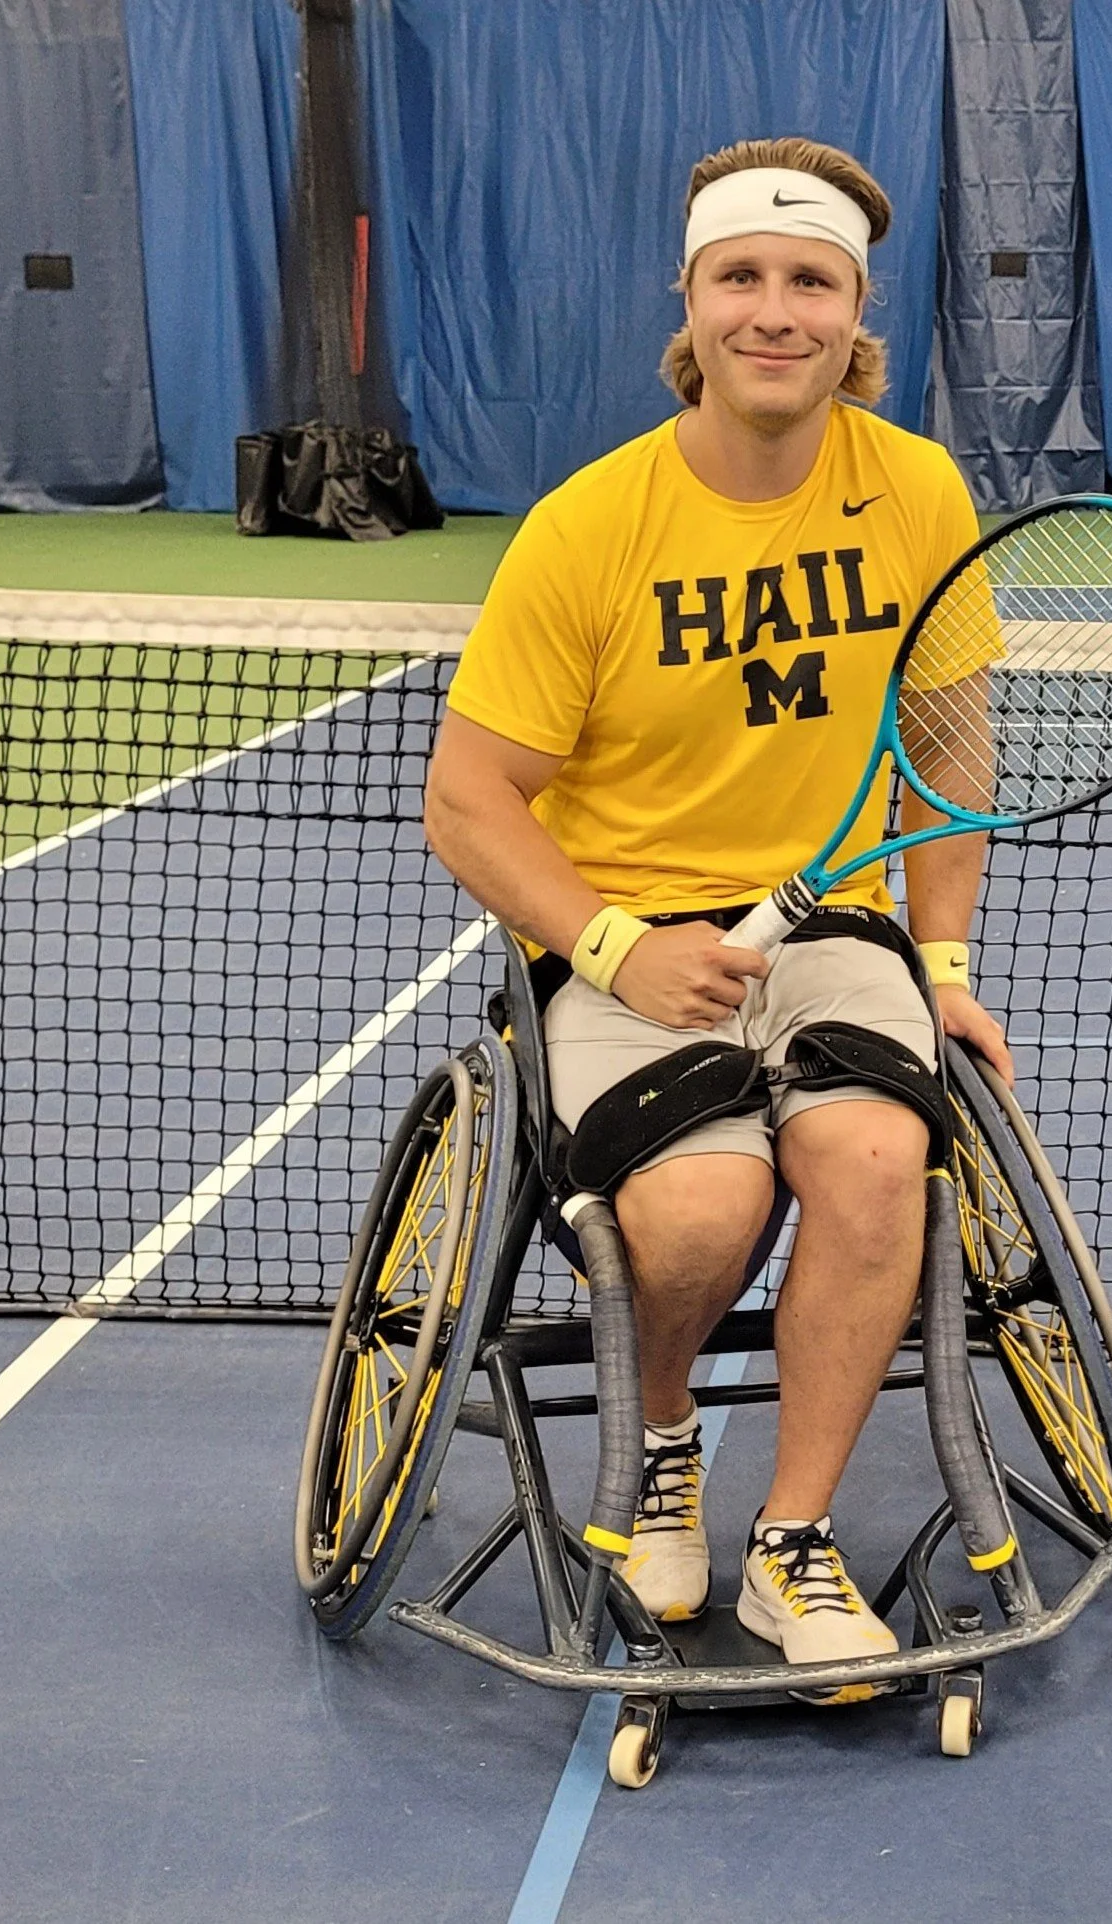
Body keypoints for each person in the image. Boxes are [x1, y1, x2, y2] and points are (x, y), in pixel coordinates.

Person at [425, 135, 1012, 1704]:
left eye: (810, 281)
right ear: (689, 303)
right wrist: (616, 946)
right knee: (697, 1213)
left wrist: (944, 965)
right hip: (627, 932)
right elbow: (469, 801)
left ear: (855, 312)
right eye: (740, 276)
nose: (775, 310)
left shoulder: (914, 490)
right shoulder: (587, 527)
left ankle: (794, 1537)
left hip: (834, 927)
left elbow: (949, 742)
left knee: (876, 1164)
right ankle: (667, 1436)